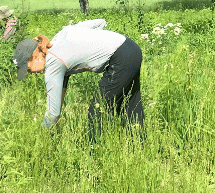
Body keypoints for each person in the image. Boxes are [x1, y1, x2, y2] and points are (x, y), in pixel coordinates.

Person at [13, 19, 143, 135]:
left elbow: (53, 114)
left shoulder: (53, 63)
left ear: (34, 57)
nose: (29, 73)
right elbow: (100, 22)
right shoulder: (59, 38)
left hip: (120, 58)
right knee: (131, 104)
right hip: (130, 48)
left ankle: (94, 153)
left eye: (27, 68)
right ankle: (139, 145)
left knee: (96, 111)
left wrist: (42, 136)